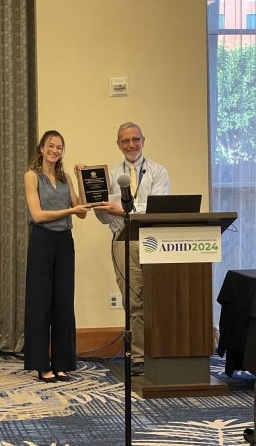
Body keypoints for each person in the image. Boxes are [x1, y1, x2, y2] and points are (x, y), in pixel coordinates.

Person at [93, 122, 170, 376]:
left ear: (143, 141)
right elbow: (106, 219)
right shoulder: (112, 175)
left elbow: (157, 208)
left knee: (157, 298)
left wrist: (125, 209)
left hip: (154, 241)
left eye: (135, 139)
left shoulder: (158, 172)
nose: (131, 145)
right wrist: (97, 203)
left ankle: (160, 351)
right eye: (125, 141)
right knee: (133, 300)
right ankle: (138, 357)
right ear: (118, 145)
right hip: (123, 241)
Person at [24, 130, 91, 382]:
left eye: (59, 147)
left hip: (64, 241)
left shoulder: (65, 179)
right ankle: (41, 364)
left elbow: (82, 212)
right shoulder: (32, 177)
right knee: (40, 302)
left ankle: (63, 362)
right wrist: (71, 210)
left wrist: (79, 179)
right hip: (42, 241)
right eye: (50, 145)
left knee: (63, 302)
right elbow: (38, 215)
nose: (55, 150)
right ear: (41, 148)